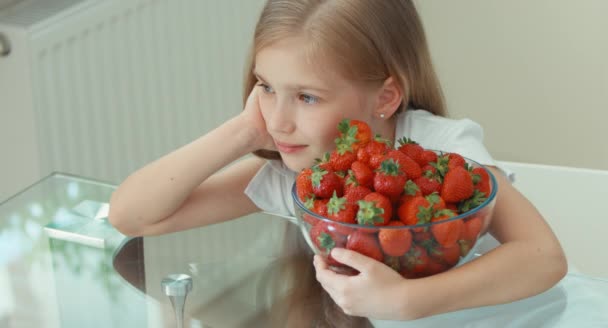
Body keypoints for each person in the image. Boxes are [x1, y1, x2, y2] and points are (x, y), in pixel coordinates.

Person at [108, 0, 567, 326]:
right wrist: (244, 131)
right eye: (266, 87)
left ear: (386, 97)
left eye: (307, 96)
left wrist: (407, 300)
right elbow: (131, 215)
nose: (280, 120)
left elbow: (543, 257)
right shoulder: (295, 173)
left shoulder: (441, 149)